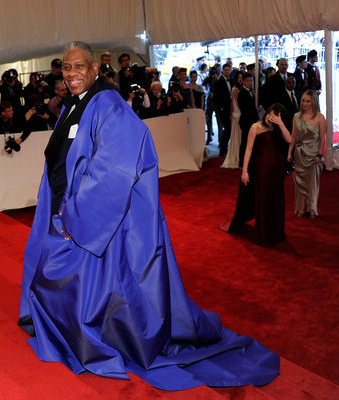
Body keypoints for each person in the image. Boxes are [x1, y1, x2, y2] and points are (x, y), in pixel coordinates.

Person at [18, 40, 279, 390]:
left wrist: (76, 215)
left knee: (84, 284)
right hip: (66, 209)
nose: (72, 73)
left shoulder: (108, 104)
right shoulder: (72, 104)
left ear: (94, 69)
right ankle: (70, 331)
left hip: (95, 220)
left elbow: (114, 167)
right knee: (54, 275)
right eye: (67, 67)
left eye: (79, 66)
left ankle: (92, 337)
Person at [221, 103, 292, 247]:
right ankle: (264, 235)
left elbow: (290, 140)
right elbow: (248, 150)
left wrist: (280, 124)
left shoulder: (277, 128)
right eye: (270, 113)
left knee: (276, 200)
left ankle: (277, 232)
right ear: (267, 112)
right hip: (262, 170)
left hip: (277, 170)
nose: (271, 117)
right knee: (264, 200)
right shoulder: (256, 127)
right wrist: (244, 171)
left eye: (275, 116)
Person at [288, 90, 326, 218]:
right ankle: (303, 207)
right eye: (303, 100)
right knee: (300, 182)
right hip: (300, 153)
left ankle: (313, 208)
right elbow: (293, 136)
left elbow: (322, 138)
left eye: (308, 101)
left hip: (314, 155)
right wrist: (289, 152)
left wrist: (320, 154)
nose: (304, 103)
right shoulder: (296, 117)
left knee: (313, 183)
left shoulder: (320, 118)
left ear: (314, 102)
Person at [220, 71, 243, 168]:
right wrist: (238, 113)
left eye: (242, 77)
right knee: (236, 135)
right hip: (238, 113)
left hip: (237, 113)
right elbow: (236, 103)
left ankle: (240, 155)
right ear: (236, 79)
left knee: (240, 135)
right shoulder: (235, 89)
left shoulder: (241, 88)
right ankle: (236, 156)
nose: (240, 79)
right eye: (239, 77)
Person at [238, 72, 259, 167]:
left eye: (251, 81)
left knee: (249, 141)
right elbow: (245, 109)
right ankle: (242, 162)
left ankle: (247, 160)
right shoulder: (242, 93)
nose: (250, 83)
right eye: (248, 81)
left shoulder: (250, 91)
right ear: (243, 82)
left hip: (251, 120)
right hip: (246, 121)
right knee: (245, 142)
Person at [213, 64, 232, 157]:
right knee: (228, 128)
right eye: (225, 70)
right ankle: (222, 149)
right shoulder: (219, 82)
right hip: (223, 109)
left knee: (229, 129)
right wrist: (221, 108)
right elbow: (215, 97)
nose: (227, 71)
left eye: (228, 69)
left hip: (231, 108)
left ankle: (224, 147)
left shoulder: (231, 81)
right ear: (222, 71)